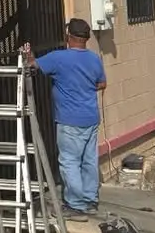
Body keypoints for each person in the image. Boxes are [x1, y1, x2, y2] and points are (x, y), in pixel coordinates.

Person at [21, 19, 107, 217]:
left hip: (70, 120)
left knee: (69, 161)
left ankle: (76, 205)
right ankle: (90, 200)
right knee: (89, 161)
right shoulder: (94, 59)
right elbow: (102, 84)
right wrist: (83, 88)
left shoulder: (59, 58)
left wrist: (28, 55)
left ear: (68, 36)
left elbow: (32, 65)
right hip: (91, 118)